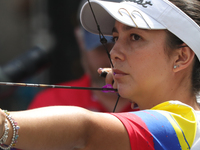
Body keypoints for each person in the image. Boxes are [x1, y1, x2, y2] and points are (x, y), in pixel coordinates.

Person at [0, 0, 200, 149]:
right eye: (115, 37)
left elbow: (84, 130)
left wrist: (3, 124)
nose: (113, 52)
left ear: (181, 57)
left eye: (135, 37)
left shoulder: (185, 123)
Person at [28, 27, 133, 112]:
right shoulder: (50, 105)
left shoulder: (149, 104)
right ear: (81, 42)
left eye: (125, 47)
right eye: (102, 48)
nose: (113, 58)